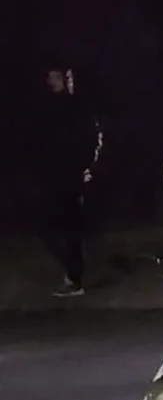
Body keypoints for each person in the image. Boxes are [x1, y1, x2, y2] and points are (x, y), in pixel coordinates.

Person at [39, 67, 101, 297]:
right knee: (58, 227)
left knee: (70, 227)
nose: (52, 81)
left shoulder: (77, 107)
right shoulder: (54, 106)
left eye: (58, 77)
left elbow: (89, 139)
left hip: (72, 175)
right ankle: (73, 274)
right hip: (59, 174)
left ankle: (74, 278)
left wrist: (86, 169)